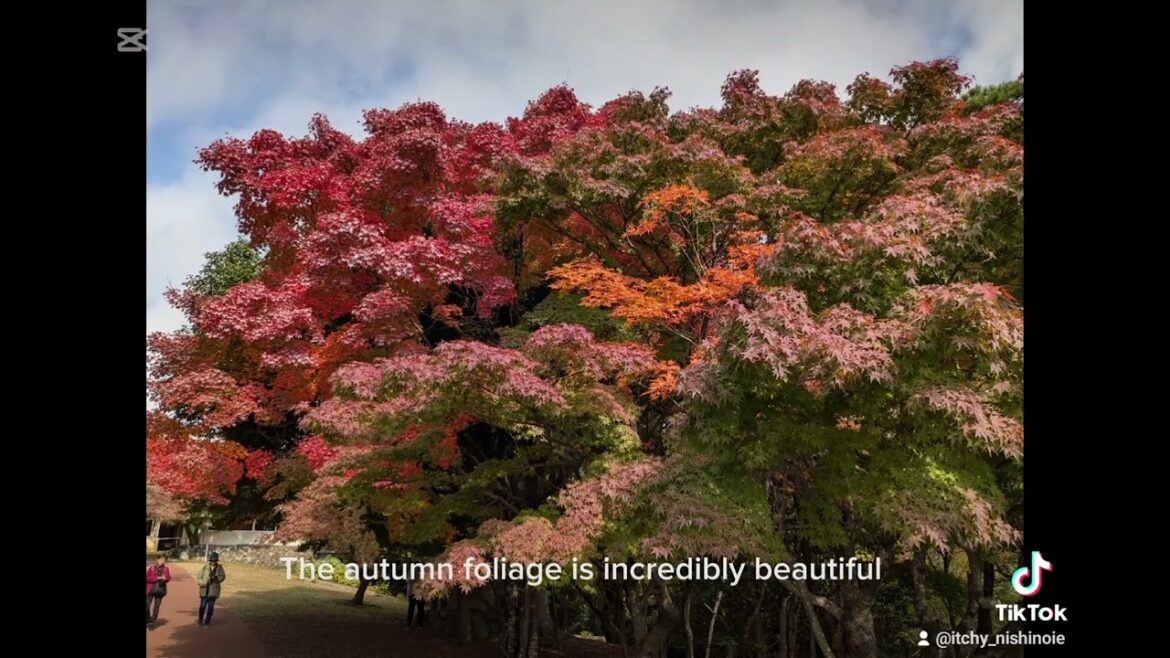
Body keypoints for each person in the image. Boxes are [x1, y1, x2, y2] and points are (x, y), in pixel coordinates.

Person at [196, 551, 227, 627]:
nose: (213, 562)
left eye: (215, 560)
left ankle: (207, 621)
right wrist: (203, 582)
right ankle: (200, 619)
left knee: (210, 607)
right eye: (212, 560)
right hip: (204, 590)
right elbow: (199, 577)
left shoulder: (220, 568)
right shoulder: (205, 567)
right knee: (202, 606)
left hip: (213, 590)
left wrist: (216, 578)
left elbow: (223, 577)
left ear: (216, 561)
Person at [146, 555, 172, 626]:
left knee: (157, 606)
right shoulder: (151, 568)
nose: (162, 561)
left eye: (163, 560)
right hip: (151, 589)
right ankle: (148, 619)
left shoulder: (166, 569)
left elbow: (168, 577)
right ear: (157, 560)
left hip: (160, 590)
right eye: (160, 560)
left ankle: (153, 620)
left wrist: (165, 578)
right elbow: (147, 578)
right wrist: (157, 578)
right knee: (147, 605)